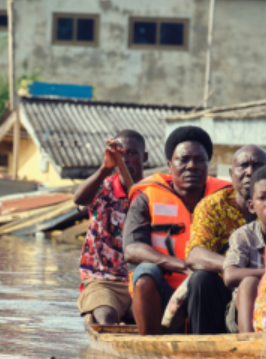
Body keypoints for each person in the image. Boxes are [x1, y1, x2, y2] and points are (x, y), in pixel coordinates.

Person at [181, 145, 266, 334]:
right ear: (231, 173)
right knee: (203, 279)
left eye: (258, 165)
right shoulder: (213, 206)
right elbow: (195, 255)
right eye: (243, 165)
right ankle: (210, 347)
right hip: (230, 295)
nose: (250, 172)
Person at [122, 125, 231, 335]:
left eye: (200, 160)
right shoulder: (147, 197)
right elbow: (132, 249)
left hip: (207, 289)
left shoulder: (224, 199)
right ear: (170, 165)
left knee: (205, 279)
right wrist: (182, 266)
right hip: (163, 291)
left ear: (208, 165)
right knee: (145, 273)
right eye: (184, 160)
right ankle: (149, 348)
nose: (192, 166)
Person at [75, 130, 147, 325]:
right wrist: (104, 168)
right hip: (102, 279)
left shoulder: (152, 192)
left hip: (139, 279)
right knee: (107, 317)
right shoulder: (104, 186)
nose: (125, 160)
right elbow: (79, 199)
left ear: (144, 157)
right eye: (121, 155)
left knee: (147, 321)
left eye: (132, 153)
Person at [222, 165, 266, 333]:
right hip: (246, 312)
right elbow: (230, 275)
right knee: (249, 282)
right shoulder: (244, 236)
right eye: (262, 197)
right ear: (251, 206)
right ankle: (249, 345)